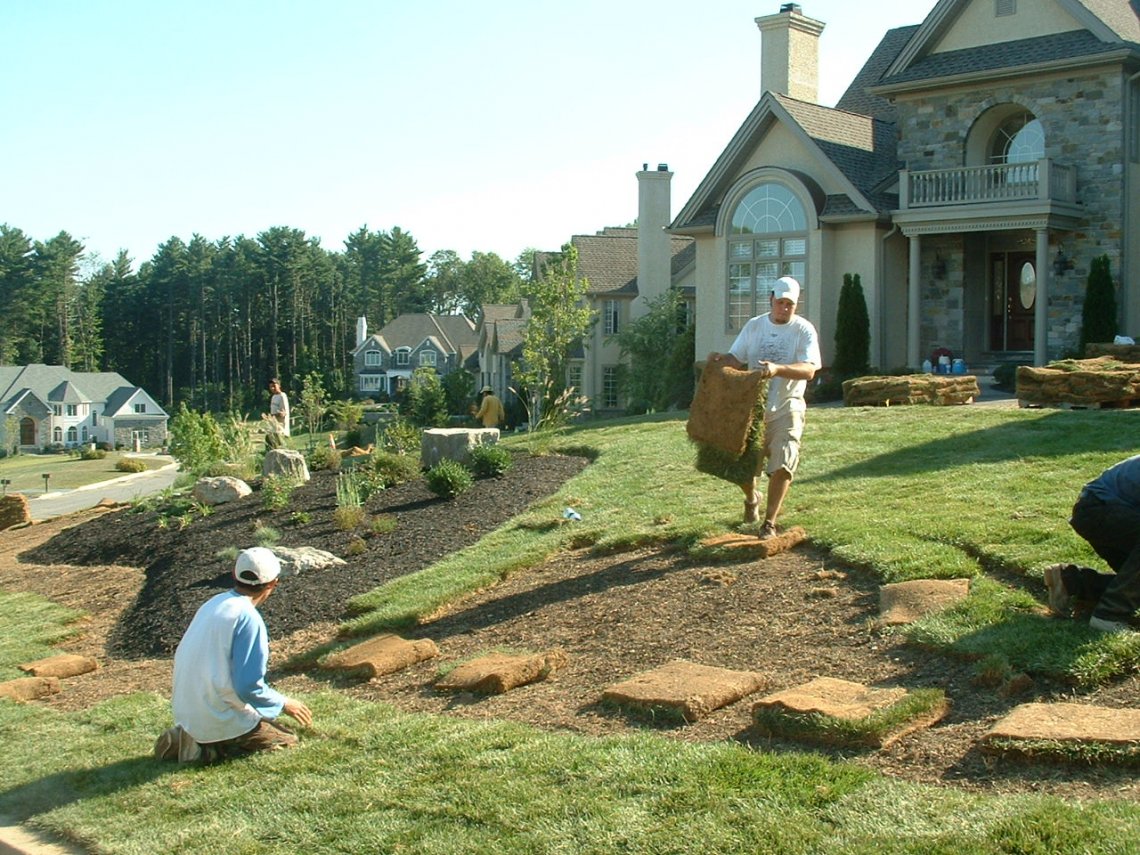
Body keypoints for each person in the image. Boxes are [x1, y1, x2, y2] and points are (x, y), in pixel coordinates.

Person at [153, 547, 313, 763]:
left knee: (251, 717)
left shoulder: (213, 604)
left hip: (186, 711)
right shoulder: (248, 618)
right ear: (273, 583)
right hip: (217, 714)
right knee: (287, 740)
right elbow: (248, 687)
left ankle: (188, 736)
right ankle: (207, 748)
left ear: (233, 574)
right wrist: (284, 703)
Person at [706, 276, 821, 539]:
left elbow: (809, 369)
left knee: (783, 462)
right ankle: (751, 498)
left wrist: (778, 369)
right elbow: (736, 358)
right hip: (753, 410)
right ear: (771, 299)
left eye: (789, 304)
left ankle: (769, 522)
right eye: (780, 302)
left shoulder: (803, 330)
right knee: (746, 469)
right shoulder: (755, 326)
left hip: (788, 406)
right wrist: (721, 360)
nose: (784, 308)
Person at [1044, 454, 1140, 634]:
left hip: (1102, 508)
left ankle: (1072, 581)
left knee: (1132, 580)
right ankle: (1109, 614)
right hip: (1099, 509)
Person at [266, 377, 290, 448]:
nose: (272, 388)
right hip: (274, 426)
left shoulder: (282, 396)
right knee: (268, 440)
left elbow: (284, 413)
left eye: (274, 386)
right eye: (270, 387)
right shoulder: (273, 397)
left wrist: (273, 416)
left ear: (279, 385)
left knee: (279, 445)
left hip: (280, 427)